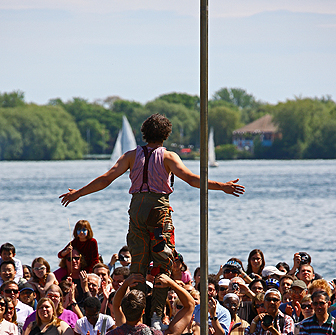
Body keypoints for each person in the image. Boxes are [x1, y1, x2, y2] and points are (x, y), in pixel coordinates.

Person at [60, 113, 245, 323]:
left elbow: (106, 178)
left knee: (138, 262)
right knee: (162, 261)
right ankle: (156, 313)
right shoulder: (168, 157)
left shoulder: (131, 156)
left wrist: (78, 193)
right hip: (158, 211)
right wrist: (222, 187)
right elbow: (192, 179)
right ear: (166, 135)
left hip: (137, 210)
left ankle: (136, 312)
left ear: (144, 133)